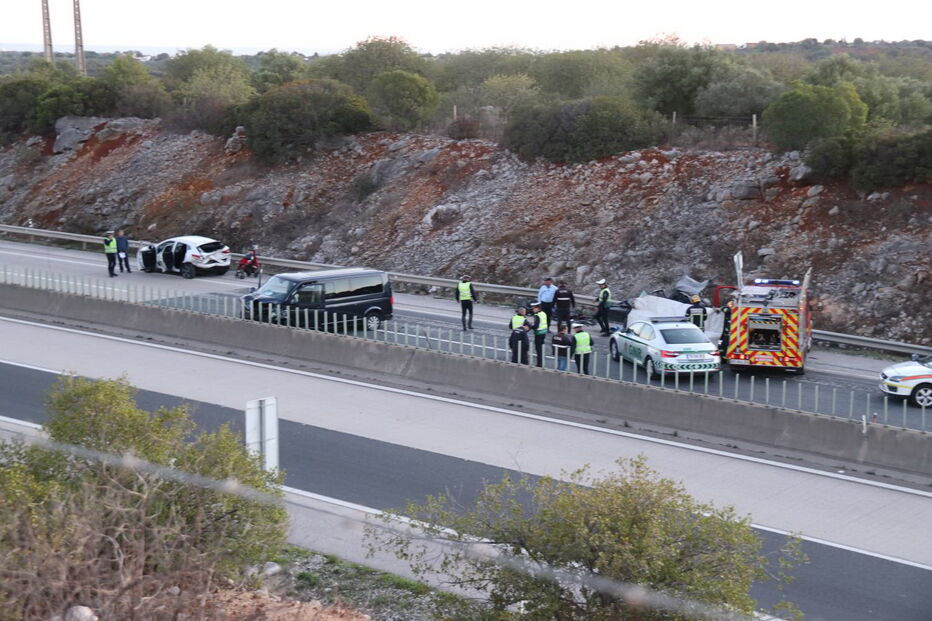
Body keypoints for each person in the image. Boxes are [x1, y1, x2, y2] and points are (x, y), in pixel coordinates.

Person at [528, 301, 549, 367]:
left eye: (533, 308)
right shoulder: (543, 313)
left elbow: (536, 326)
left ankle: (539, 364)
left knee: (538, 349)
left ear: (537, 308)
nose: (533, 309)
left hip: (538, 333)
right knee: (541, 348)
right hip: (544, 332)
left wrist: (530, 326)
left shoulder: (537, 315)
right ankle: (541, 362)